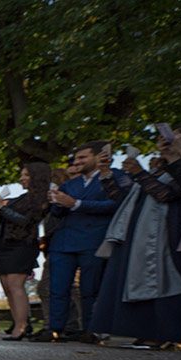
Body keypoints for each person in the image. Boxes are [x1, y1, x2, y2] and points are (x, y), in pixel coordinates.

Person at [91, 128, 181, 348]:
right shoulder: (159, 169)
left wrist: (138, 172)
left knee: (165, 279)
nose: (172, 138)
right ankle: (147, 330)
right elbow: (123, 198)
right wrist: (106, 173)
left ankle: (167, 332)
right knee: (140, 279)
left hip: (167, 230)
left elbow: (166, 194)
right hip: (141, 231)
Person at [36, 141, 118, 343]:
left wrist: (77, 204)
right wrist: (55, 201)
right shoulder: (70, 184)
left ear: (98, 157)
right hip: (64, 241)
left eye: (83, 157)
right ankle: (55, 329)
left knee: (90, 288)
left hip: (93, 239)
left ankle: (92, 329)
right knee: (57, 288)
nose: (77, 162)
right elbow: (58, 212)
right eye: (76, 158)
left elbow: (114, 205)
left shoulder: (112, 178)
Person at [0, 163, 51, 340]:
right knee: (7, 287)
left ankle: (21, 326)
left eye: (26, 175)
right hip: (5, 244)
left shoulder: (41, 199)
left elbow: (25, 221)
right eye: (22, 175)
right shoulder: (20, 198)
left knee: (15, 285)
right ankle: (18, 323)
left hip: (22, 244)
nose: (22, 178)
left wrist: (2, 208)